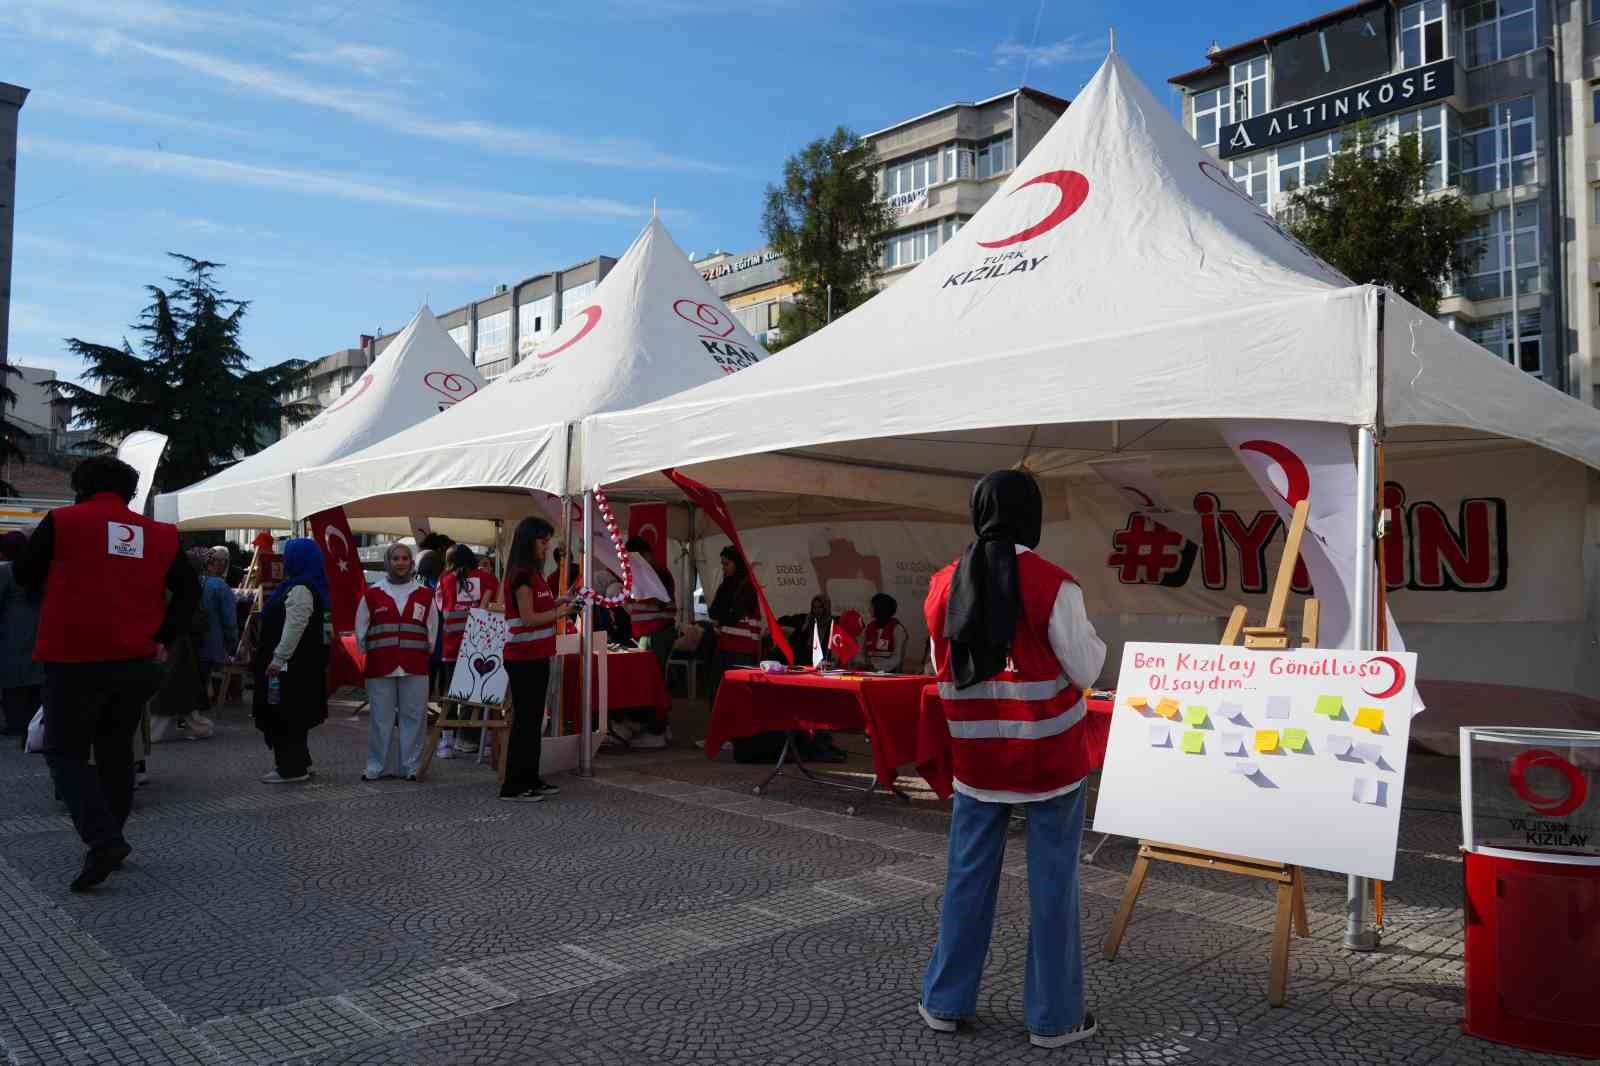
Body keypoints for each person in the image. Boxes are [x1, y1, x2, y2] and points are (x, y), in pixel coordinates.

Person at [919, 470, 1105, 1048]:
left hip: (977, 761)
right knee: (1053, 885)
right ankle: (1054, 1018)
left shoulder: (943, 585)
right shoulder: (1055, 586)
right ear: (1034, 516)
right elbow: (1087, 670)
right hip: (1049, 760)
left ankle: (946, 1002)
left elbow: (938, 667)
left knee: (967, 878)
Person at [14, 456, 197, 892]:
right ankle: (112, 835)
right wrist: (163, 637)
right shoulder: (159, 534)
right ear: (131, 492)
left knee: (65, 751)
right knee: (116, 750)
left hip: (74, 658)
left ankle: (103, 839)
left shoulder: (63, 522)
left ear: (81, 485)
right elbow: (189, 592)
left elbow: (24, 576)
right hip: (138, 663)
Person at [500, 516, 579, 801]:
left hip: (536, 656)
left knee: (534, 722)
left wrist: (559, 601)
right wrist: (561, 613)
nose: (546, 548)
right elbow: (529, 617)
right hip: (523, 658)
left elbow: (539, 606)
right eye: (543, 542)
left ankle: (530, 778)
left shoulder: (533, 575)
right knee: (525, 722)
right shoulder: (521, 575)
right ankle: (514, 785)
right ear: (528, 541)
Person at [356, 542, 438, 781]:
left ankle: (411, 766)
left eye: (405, 558)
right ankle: (377, 766)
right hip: (380, 666)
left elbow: (432, 629)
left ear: (412, 564)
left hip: (415, 665)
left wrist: (425, 651)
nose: (400, 563)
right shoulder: (371, 594)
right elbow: (361, 630)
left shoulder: (425, 595)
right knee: (380, 719)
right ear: (387, 563)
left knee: (414, 717)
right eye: (396, 558)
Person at [252, 538, 331, 783]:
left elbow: (294, 626)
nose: (284, 560)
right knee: (294, 715)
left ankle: (291, 768)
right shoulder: (303, 585)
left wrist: (278, 658)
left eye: (288, 555)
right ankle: (300, 762)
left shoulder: (300, 589)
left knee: (285, 715)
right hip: (298, 667)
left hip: (290, 668)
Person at [435, 543, 501, 757]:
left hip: (452, 646)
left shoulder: (444, 581)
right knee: (478, 693)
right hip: (481, 646)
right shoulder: (489, 580)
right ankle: (472, 739)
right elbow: (499, 608)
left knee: (451, 695)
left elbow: (441, 612)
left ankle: (446, 742)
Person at [0, 530, 44, 737]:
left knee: (12, 677)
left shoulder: (6, 570)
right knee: (36, 675)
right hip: (38, 625)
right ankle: (33, 722)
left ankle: (15, 723)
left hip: (12, 628)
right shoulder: (38, 568)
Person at [707, 546, 761, 705]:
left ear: (737, 563)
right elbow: (713, 612)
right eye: (722, 564)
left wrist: (721, 617)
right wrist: (723, 615)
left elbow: (734, 616)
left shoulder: (747, 586)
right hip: (725, 646)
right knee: (717, 690)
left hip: (742, 650)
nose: (723, 568)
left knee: (737, 694)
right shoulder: (726, 585)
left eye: (726, 564)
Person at [195, 546, 238, 716]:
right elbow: (229, 623)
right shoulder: (220, 587)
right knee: (204, 677)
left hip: (192, 641)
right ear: (221, 564)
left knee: (196, 677)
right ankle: (195, 714)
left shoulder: (195, 581)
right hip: (212, 642)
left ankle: (193, 712)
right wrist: (232, 645)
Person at [857, 593, 909, 674]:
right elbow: (860, 653)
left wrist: (877, 667)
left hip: (890, 674)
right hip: (868, 672)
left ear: (880, 608)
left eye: (871, 606)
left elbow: (897, 658)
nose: (869, 609)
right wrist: (864, 664)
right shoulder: (868, 628)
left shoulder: (897, 629)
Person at [790, 594, 835, 668]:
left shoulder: (831, 623)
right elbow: (795, 640)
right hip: (807, 656)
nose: (816, 610)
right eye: (814, 607)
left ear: (825, 608)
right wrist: (805, 625)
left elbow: (829, 648)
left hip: (822, 658)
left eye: (820, 607)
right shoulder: (810, 620)